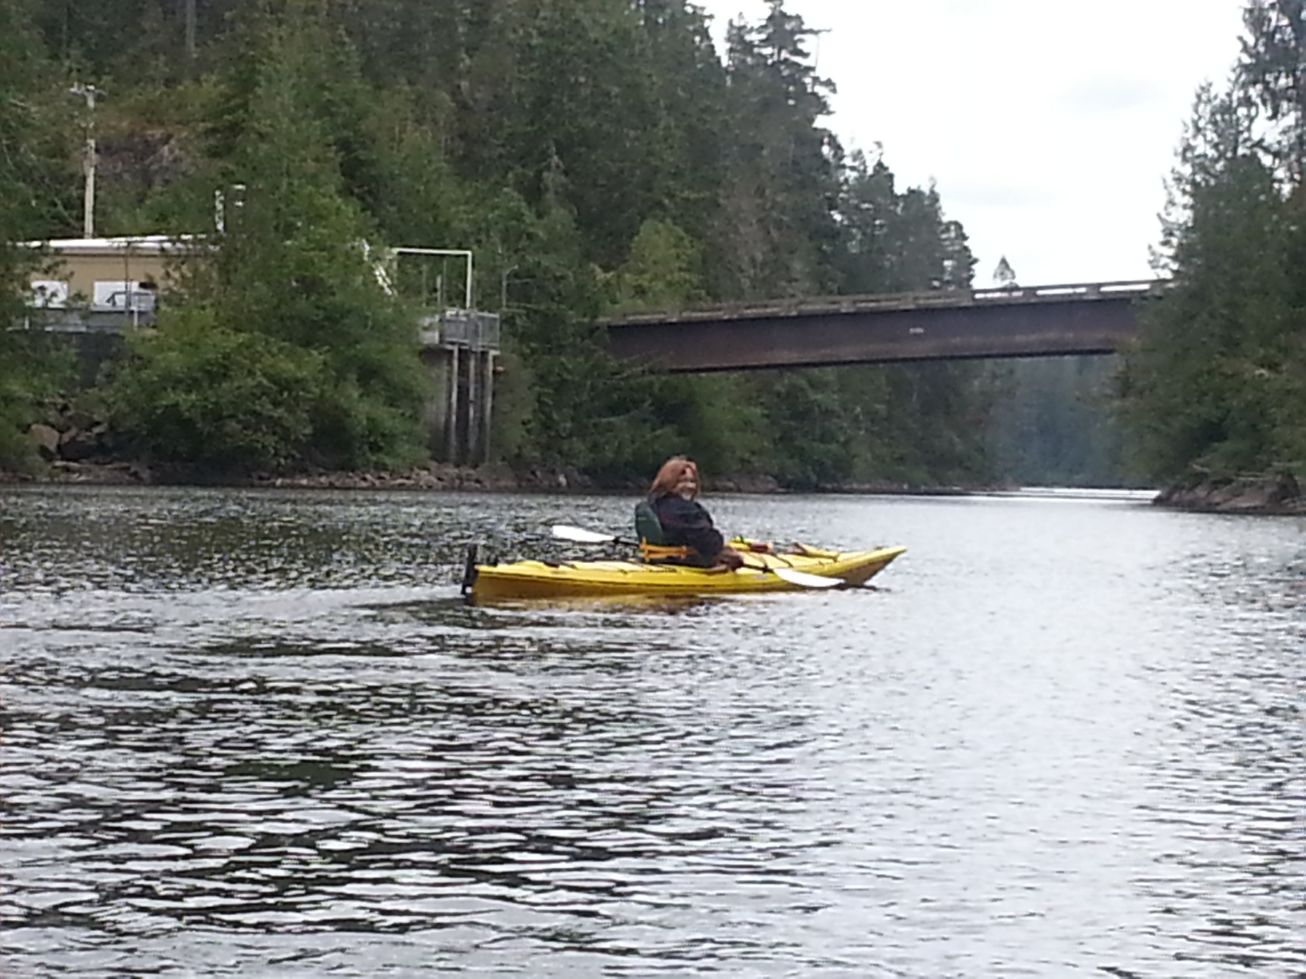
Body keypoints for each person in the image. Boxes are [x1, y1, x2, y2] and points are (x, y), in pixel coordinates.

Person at [643, 456, 745, 570]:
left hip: (656, 558)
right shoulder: (683, 510)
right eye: (682, 482)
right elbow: (708, 541)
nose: (689, 486)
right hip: (683, 561)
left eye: (692, 481)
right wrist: (725, 551)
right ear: (669, 482)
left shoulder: (653, 503)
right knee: (735, 559)